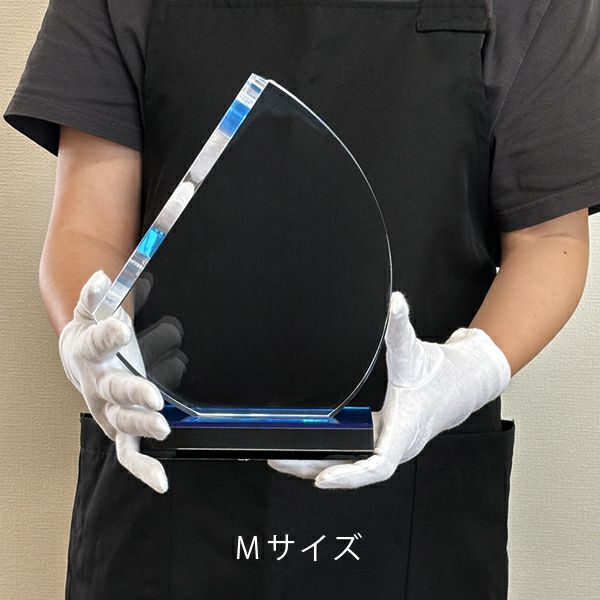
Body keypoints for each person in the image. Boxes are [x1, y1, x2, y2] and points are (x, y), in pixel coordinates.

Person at [4, 0, 599, 598]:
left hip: (417, 491)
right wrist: (97, 345)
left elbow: (547, 239)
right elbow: (90, 226)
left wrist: (468, 370)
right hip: (167, 477)